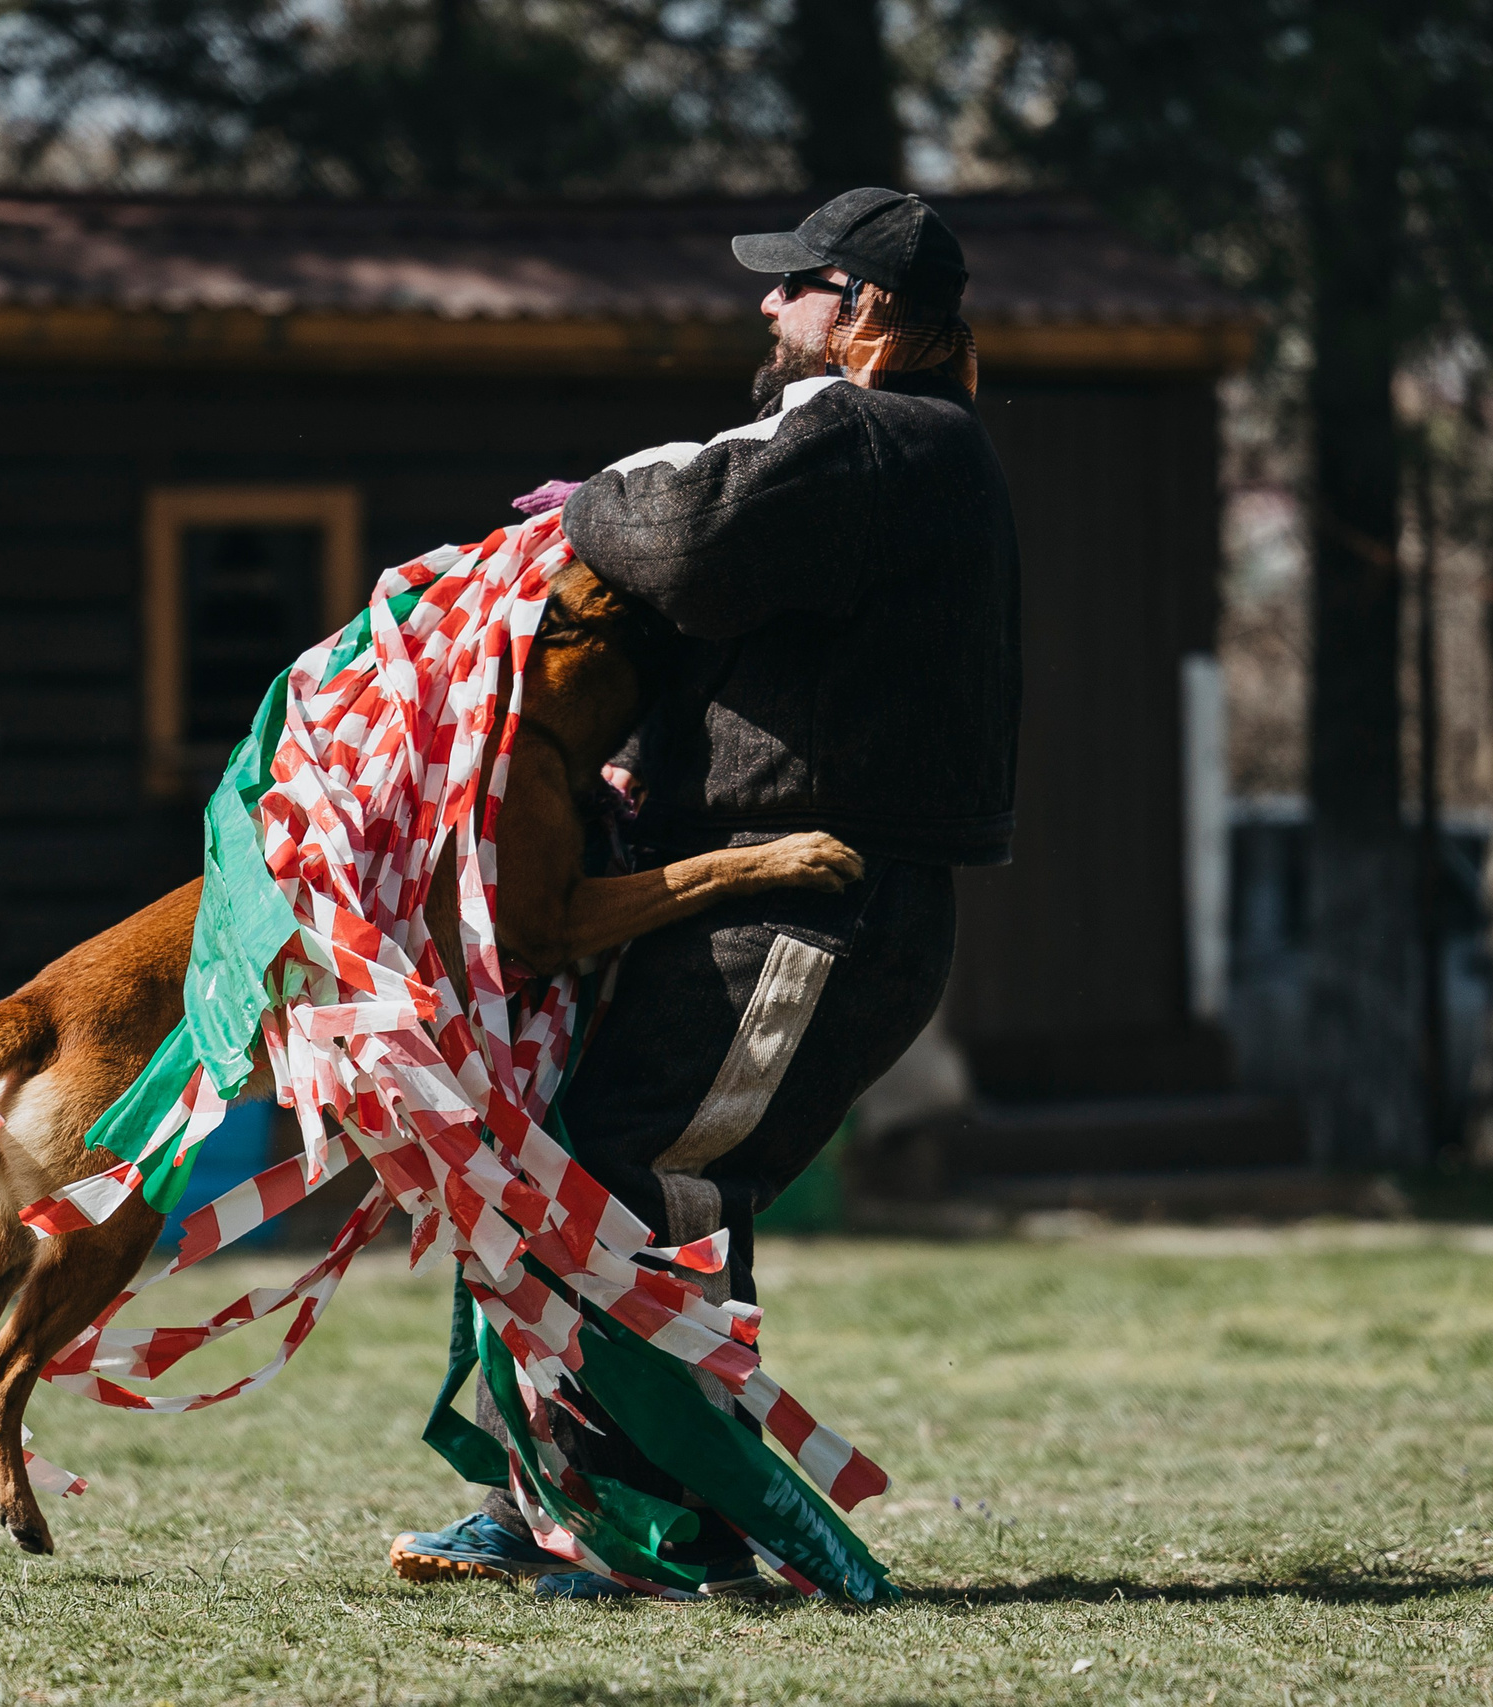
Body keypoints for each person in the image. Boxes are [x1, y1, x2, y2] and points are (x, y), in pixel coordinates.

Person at [389, 187, 1023, 1596]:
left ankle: (653, 1530)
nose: (765, 306)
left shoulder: (861, 431)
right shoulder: (920, 447)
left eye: (791, 285)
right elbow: (740, 620)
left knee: (637, 1184)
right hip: (789, 903)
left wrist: (592, 500)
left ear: (859, 310)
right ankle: (558, 1500)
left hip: (808, 912)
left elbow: (679, 536)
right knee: (614, 1178)